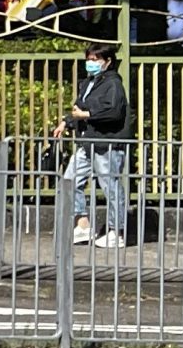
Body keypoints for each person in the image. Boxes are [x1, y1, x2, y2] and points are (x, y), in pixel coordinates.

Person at [55, 37, 131, 248]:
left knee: (110, 186)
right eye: (89, 59)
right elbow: (79, 108)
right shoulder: (88, 83)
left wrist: (86, 115)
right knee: (70, 180)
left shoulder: (113, 84)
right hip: (87, 142)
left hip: (106, 142)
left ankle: (117, 231)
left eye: (96, 59)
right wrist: (67, 121)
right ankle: (83, 225)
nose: (91, 62)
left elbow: (113, 111)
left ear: (107, 61)